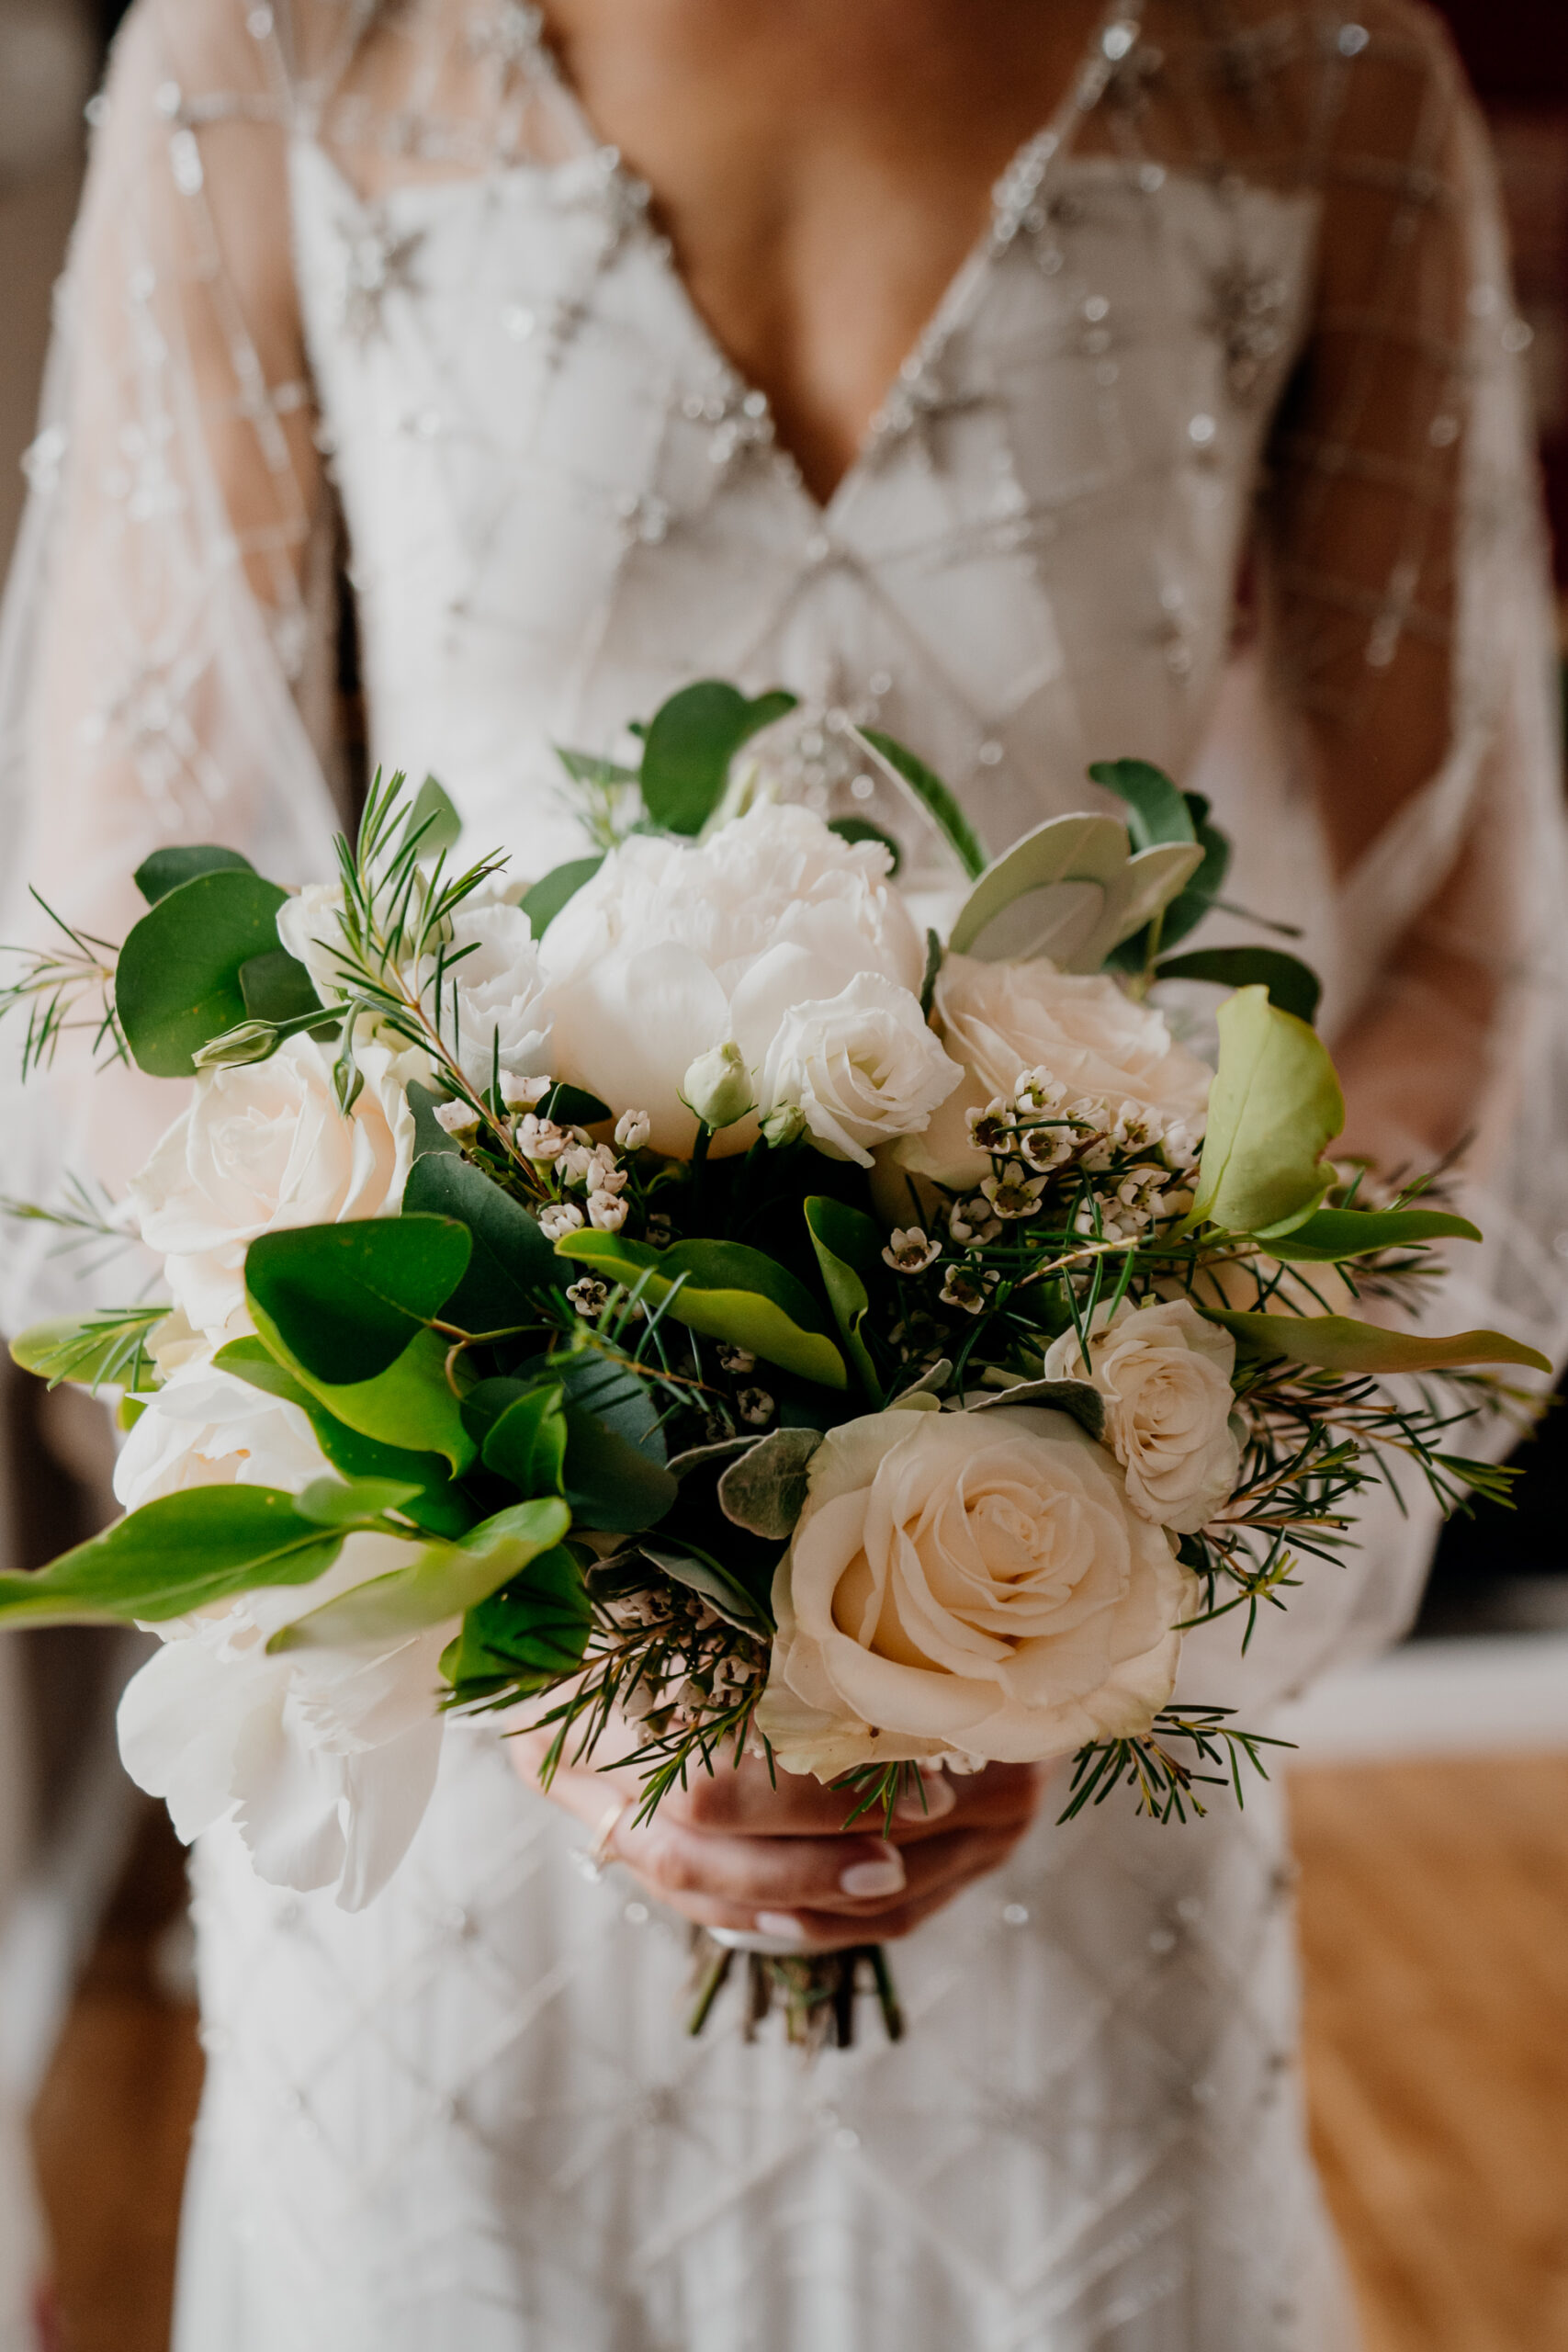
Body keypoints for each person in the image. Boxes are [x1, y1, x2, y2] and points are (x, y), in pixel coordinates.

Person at [1, 1, 1563, 2345]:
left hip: (1050, 1641)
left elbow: (1450, 920)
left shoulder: (1317, 74)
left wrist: (1108, 1496)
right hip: (471, 1652)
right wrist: (535, 1637)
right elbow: (138, 921)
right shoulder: (289, 51)